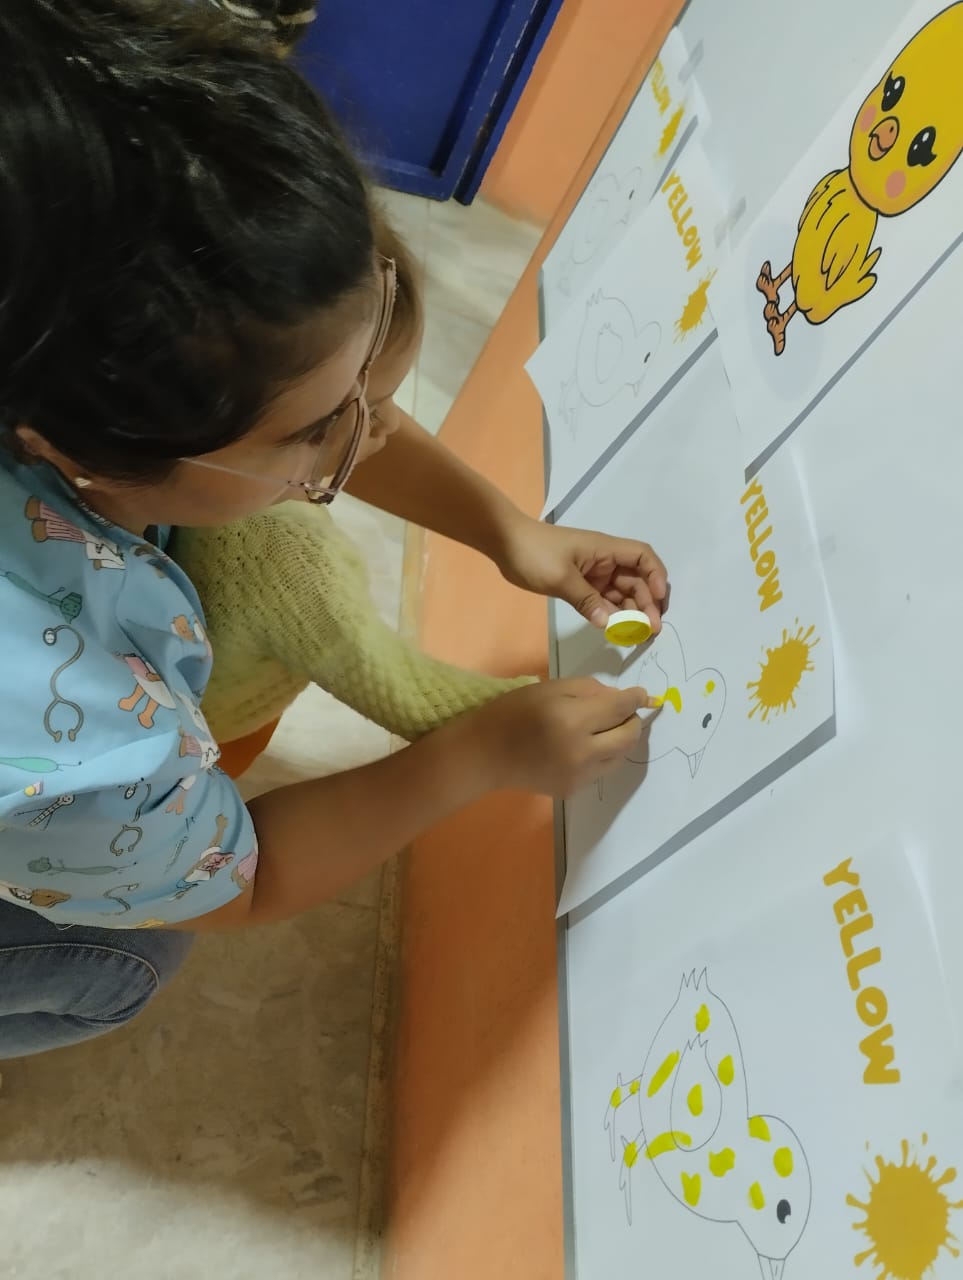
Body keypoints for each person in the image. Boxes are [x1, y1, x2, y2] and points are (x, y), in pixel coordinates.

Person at [0, 0, 667, 1061]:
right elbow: (244, 881)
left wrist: (506, 530)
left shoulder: (45, 329)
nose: (366, 434)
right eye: (319, 435)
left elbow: (310, 386)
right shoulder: (85, 739)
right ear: (100, 448)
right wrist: (478, 755)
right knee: (138, 953)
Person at [171, 216, 538, 779]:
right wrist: (529, 717)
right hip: (203, 737)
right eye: (359, 408)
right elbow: (409, 693)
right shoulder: (287, 560)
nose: (389, 425)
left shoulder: (195, 473)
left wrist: (514, 531)